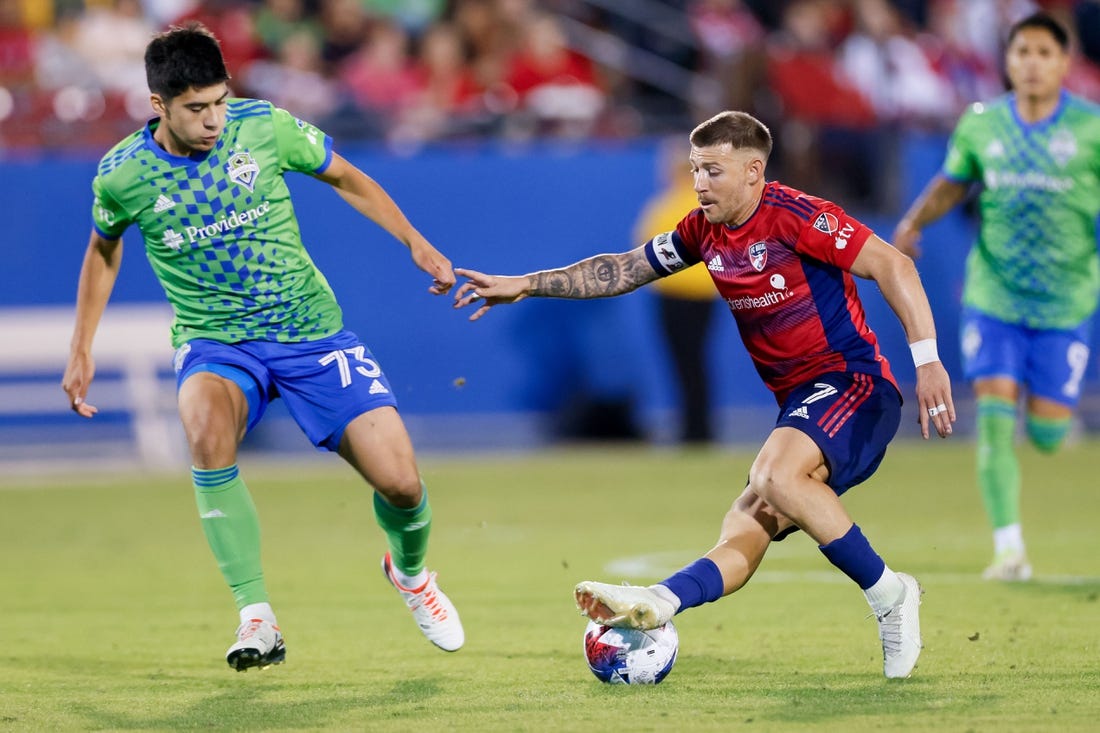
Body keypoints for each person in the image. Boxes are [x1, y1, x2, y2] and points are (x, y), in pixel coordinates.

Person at [454, 110, 955, 679]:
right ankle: (660, 602)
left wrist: (928, 360)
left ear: (753, 171)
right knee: (748, 524)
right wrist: (529, 283)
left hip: (854, 386)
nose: (698, 183)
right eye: (695, 169)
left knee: (774, 477)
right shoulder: (702, 230)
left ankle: (892, 595)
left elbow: (894, 265)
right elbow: (624, 269)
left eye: (712, 170)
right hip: (799, 404)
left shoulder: (799, 216)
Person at [61, 23, 464, 672]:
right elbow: (102, 250)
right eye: (197, 108)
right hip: (216, 341)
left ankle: (411, 574)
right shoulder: (123, 175)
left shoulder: (263, 127)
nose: (215, 119)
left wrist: (414, 240)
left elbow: (348, 177)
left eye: (221, 100)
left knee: (402, 483)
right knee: (203, 427)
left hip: (309, 331)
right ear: (157, 106)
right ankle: (257, 614)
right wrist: (82, 346)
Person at [893, 12, 1100, 583]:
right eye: (1022, 52)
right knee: (992, 413)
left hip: (1067, 303)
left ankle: (1053, 417)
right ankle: (1009, 550)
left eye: (1043, 52)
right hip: (995, 296)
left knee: (1049, 435)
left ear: (1064, 62)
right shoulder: (982, 124)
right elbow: (954, 181)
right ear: (1007, 62)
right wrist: (911, 223)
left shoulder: (1091, 128)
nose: (1032, 62)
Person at [636, 141, 721, 444]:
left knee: (684, 363)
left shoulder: (666, 206)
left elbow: (643, 252)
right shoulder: (708, 204)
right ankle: (699, 427)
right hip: (707, 295)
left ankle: (694, 430)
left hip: (674, 295)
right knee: (697, 361)